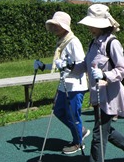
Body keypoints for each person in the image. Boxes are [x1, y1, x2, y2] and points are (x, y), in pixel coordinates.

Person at [64, 4, 124, 162]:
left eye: (93, 24)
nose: (90, 27)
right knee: (104, 130)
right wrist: (69, 66)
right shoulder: (93, 43)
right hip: (97, 94)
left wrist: (105, 74)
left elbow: (122, 69)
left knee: (98, 135)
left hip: (110, 96)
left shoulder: (112, 43)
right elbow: (85, 65)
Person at [33, 11, 90, 154]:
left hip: (75, 85)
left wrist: (67, 65)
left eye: (57, 25)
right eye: (52, 25)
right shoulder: (61, 41)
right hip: (64, 84)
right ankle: (80, 131)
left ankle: (78, 142)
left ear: (65, 26)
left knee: (72, 115)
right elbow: (58, 63)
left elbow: (81, 64)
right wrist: (43, 66)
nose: (54, 28)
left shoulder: (73, 41)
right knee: (58, 111)